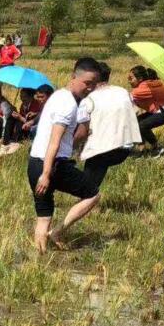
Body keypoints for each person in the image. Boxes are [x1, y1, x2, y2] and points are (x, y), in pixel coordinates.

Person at [27, 58, 103, 254]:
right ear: (74, 77)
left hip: (34, 162)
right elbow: (55, 140)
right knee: (93, 194)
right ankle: (58, 232)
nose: (90, 88)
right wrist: (46, 173)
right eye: (87, 83)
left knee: (43, 216)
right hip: (51, 165)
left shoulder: (59, 95)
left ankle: (39, 258)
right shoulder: (68, 104)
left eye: (94, 84)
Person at [76, 62, 141, 188]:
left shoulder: (89, 100)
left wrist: (71, 148)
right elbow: (136, 111)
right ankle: (90, 196)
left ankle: (87, 199)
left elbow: (82, 132)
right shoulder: (124, 92)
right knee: (97, 170)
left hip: (102, 149)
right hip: (125, 148)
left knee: (88, 183)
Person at [128, 65, 164, 154]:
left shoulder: (142, 89)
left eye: (131, 78)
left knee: (142, 125)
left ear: (140, 78)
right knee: (137, 122)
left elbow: (126, 99)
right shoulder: (148, 83)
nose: (129, 81)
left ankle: (157, 148)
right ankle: (142, 148)